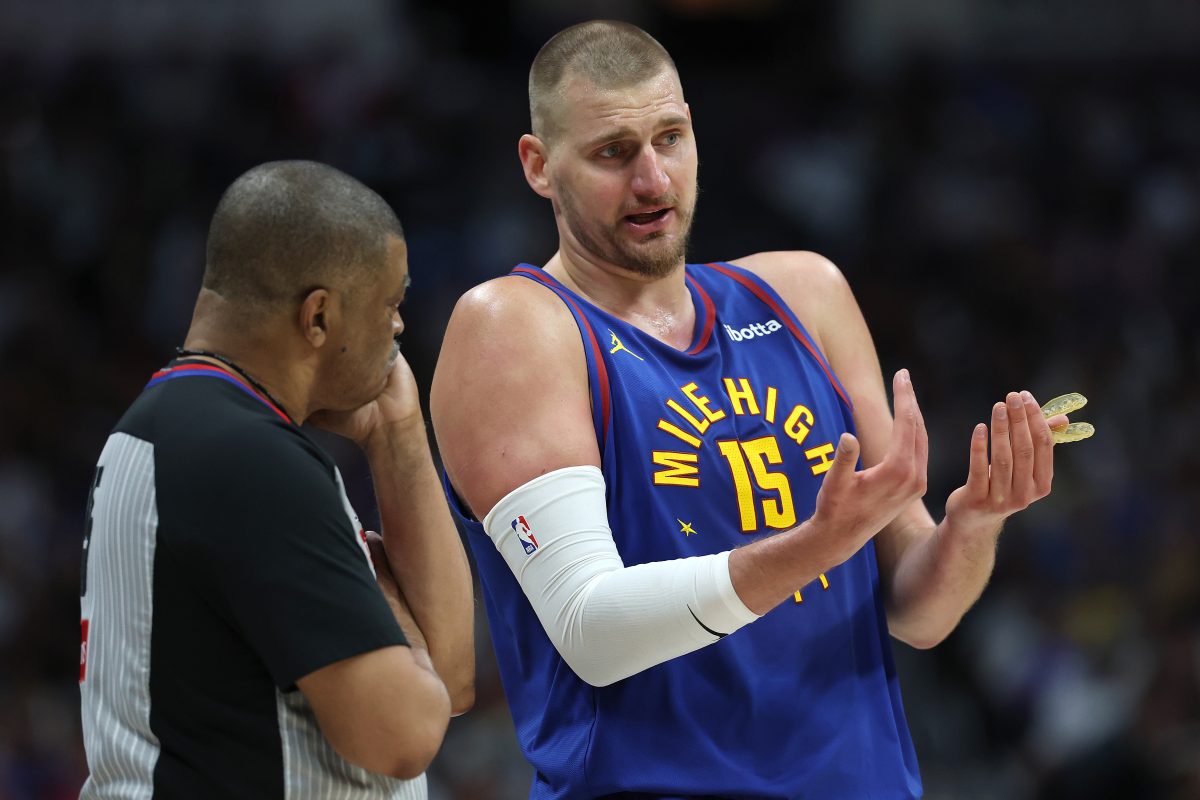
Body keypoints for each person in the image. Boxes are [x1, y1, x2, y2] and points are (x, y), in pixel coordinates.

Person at [431, 20, 1073, 799]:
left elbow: (918, 613)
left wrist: (974, 522)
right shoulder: (517, 327)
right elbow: (592, 633)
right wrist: (815, 546)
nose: (653, 180)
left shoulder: (807, 293)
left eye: (670, 138)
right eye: (613, 152)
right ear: (539, 166)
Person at [78, 160, 474, 799]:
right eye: (391, 302)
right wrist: (388, 601)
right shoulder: (246, 457)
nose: (399, 327)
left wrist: (396, 434)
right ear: (318, 317)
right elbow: (403, 736)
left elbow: (449, 684)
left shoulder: (168, 424)